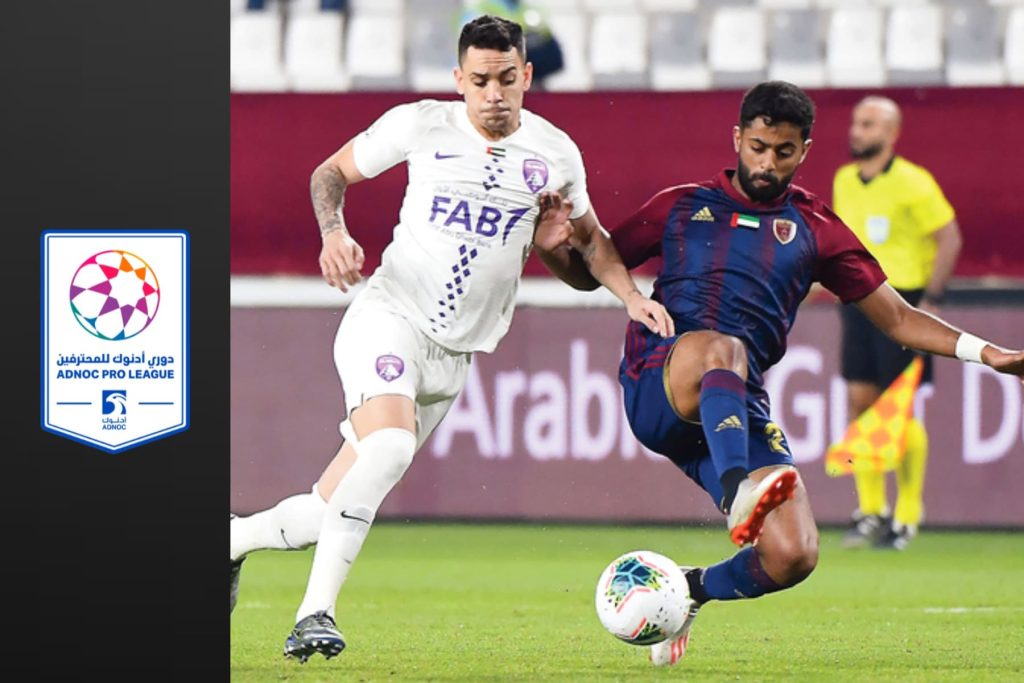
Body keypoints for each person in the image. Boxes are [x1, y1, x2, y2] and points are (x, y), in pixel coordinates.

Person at [533, 81, 1024, 668]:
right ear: (738, 138)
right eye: (758, 147)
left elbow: (896, 318)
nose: (767, 163)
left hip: (734, 403)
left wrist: (987, 353)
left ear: (804, 150)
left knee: (794, 554)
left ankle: (686, 591)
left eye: (783, 152)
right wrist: (555, 250)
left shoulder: (816, 227)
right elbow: (595, 267)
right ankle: (739, 489)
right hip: (659, 381)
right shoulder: (682, 205)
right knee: (723, 349)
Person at [229, 15, 672, 664]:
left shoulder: (553, 154)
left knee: (327, 511)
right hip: (390, 318)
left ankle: (233, 540)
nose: (494, 94)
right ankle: (313, 614)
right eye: (481, 80)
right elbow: (330, 174)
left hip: (453, 357)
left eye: (506, 79)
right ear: (459, 79)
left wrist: (629, 295)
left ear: (526, 76)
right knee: (389, 446)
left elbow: (592, 242)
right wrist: (333, 231)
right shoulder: (421, 125)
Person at [832, 96, 962, 551]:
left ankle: (907, 514)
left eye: (868, 124)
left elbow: (949, 237)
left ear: (892, 133)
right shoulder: (844, 180)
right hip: (857, 301)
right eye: (856, 122)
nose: (857, 131)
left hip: (902, 301)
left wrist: (932, 299)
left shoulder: (913, 181)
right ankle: (871, 510)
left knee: (899, 408)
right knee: (859, 403)